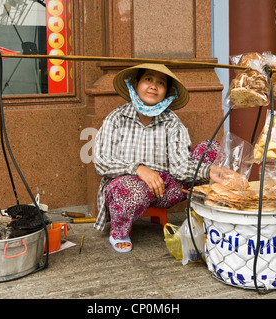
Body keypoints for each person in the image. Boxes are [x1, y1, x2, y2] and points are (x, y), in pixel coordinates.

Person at [93, 63, 231, 253]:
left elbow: (180, 167)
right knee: (131, 189)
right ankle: (119, 232)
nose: (153, 86)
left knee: (211, 149)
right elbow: (101, 162)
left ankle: (206, 218)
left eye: (161, 83)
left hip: (164, 189)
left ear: (166, 92)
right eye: (148, 79)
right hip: (127, 188)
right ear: (135, 83)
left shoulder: (172, 121)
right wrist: (138, 169)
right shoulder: (116, 118)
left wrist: (209, 170)